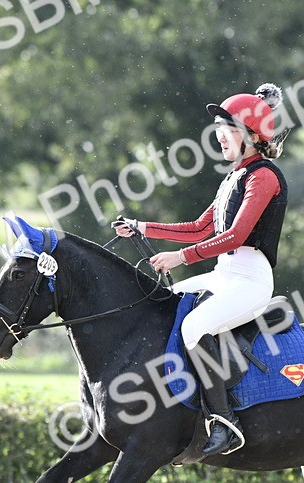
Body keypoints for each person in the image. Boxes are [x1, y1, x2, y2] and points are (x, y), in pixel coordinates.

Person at [113, 83, 289, 458]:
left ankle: (225, 422)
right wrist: (142, 227)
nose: (220, 139)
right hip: (226, 273)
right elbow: (199, 228)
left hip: (251, 279)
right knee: (167, 301)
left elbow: (236, 235)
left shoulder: (264, 177)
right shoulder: (233, 178)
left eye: (227, 132)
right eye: (219, 133)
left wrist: (181, 258)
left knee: (195, 326)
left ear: (251, 136)